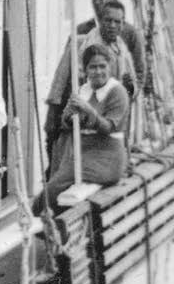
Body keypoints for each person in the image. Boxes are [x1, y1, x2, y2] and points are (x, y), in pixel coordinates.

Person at [45, 0, 144, 158]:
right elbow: (62, 75)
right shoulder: (82, 33)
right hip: (78, 108)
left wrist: (130, 88)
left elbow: (139, 74)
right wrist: (53, 111)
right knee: (64, 154)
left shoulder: (128, 35)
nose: (98, 3)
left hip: (111, 112)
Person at [41, 44, 130, 209]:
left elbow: (108, 128)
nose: (98, 72)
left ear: (109, 67)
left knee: (52, 189)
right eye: (93, 67)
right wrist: (69, 117)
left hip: (107, 157)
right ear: (85, 69)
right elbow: (65, 123)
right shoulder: (82, 90)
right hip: (83, 154)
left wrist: (88, 111)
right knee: (57, 184)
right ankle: (49, 220)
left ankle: (40, 213)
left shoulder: (117, 92)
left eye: (102, 66)